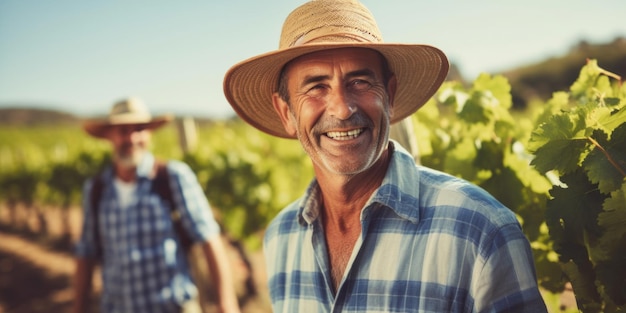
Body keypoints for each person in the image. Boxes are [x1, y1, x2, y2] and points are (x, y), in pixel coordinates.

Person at [223, 0, 548, 312]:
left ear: (389, 96)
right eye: (316, 87)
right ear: (286, 113)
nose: (342, 108)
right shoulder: (281, 238)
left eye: (360, 81)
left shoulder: (481, 229)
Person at [72, 97, 241, 313]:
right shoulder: (96, 190)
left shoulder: (173, 177)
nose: (132, 138)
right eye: (123, 130)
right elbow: (86, 253)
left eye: (139, 129)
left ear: (150, 134)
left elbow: (209, 239)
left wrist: (227, 305)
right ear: (109, 136)